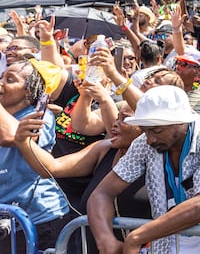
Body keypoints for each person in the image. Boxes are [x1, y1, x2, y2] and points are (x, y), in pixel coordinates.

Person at [88, 85, 200, 254]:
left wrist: (138, 236)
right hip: (165, 248)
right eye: (145, 131)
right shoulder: (145, 143)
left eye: (156, 131)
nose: (149, 139)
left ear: (180, 121)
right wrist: (106, 241)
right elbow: (101, 194)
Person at [14, 103, 151, 251]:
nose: (115, 124)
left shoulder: (160, 159)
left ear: (146, 126)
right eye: (117, 117)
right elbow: (52, 167)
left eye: (125, 119)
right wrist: (23, 141)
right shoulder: (104, 149)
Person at [0, 59, 69, 253]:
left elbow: (10, 136)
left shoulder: (39, 116)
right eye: (1, 77)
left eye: (10, 80)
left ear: (29, 92)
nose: (1, 83)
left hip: (38, 219)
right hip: (7, 218)